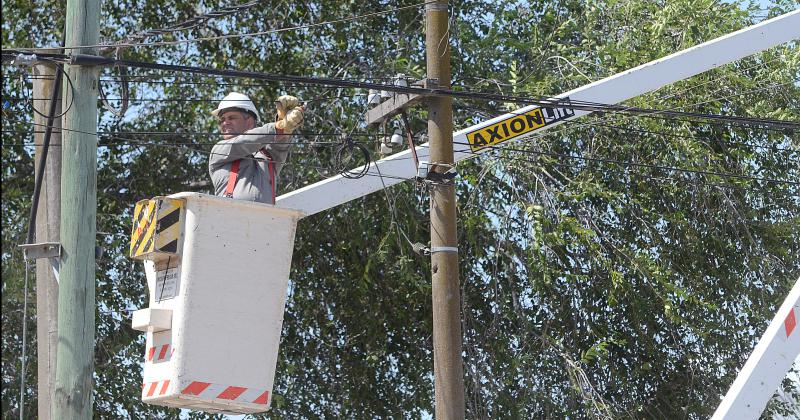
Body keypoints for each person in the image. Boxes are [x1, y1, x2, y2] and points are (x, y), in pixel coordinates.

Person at [208, 92, 304, 204]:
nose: (225, 123)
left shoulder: (267, 156)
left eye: (231, 117)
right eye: (222, 120)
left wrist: (284, 122)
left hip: (264, 219)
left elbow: (280, 143)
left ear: (249, 122)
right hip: (229, 218)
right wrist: (279, 127)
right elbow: (243, 143)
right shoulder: (219, 151)